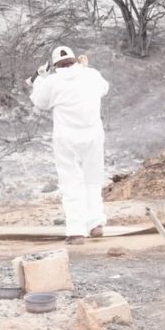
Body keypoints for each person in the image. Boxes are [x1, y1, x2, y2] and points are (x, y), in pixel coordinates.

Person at [30, 45, 110, 245]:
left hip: (66, 138)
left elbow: (39, 101)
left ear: (55, 65)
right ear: (74, 60)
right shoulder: (91, 75)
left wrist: (40, 79)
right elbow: (104, 89)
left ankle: (76, 231)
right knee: (92, 180)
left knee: (71, 182)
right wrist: (85, 68)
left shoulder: (52, 82)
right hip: (93, 135)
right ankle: (95, 223)